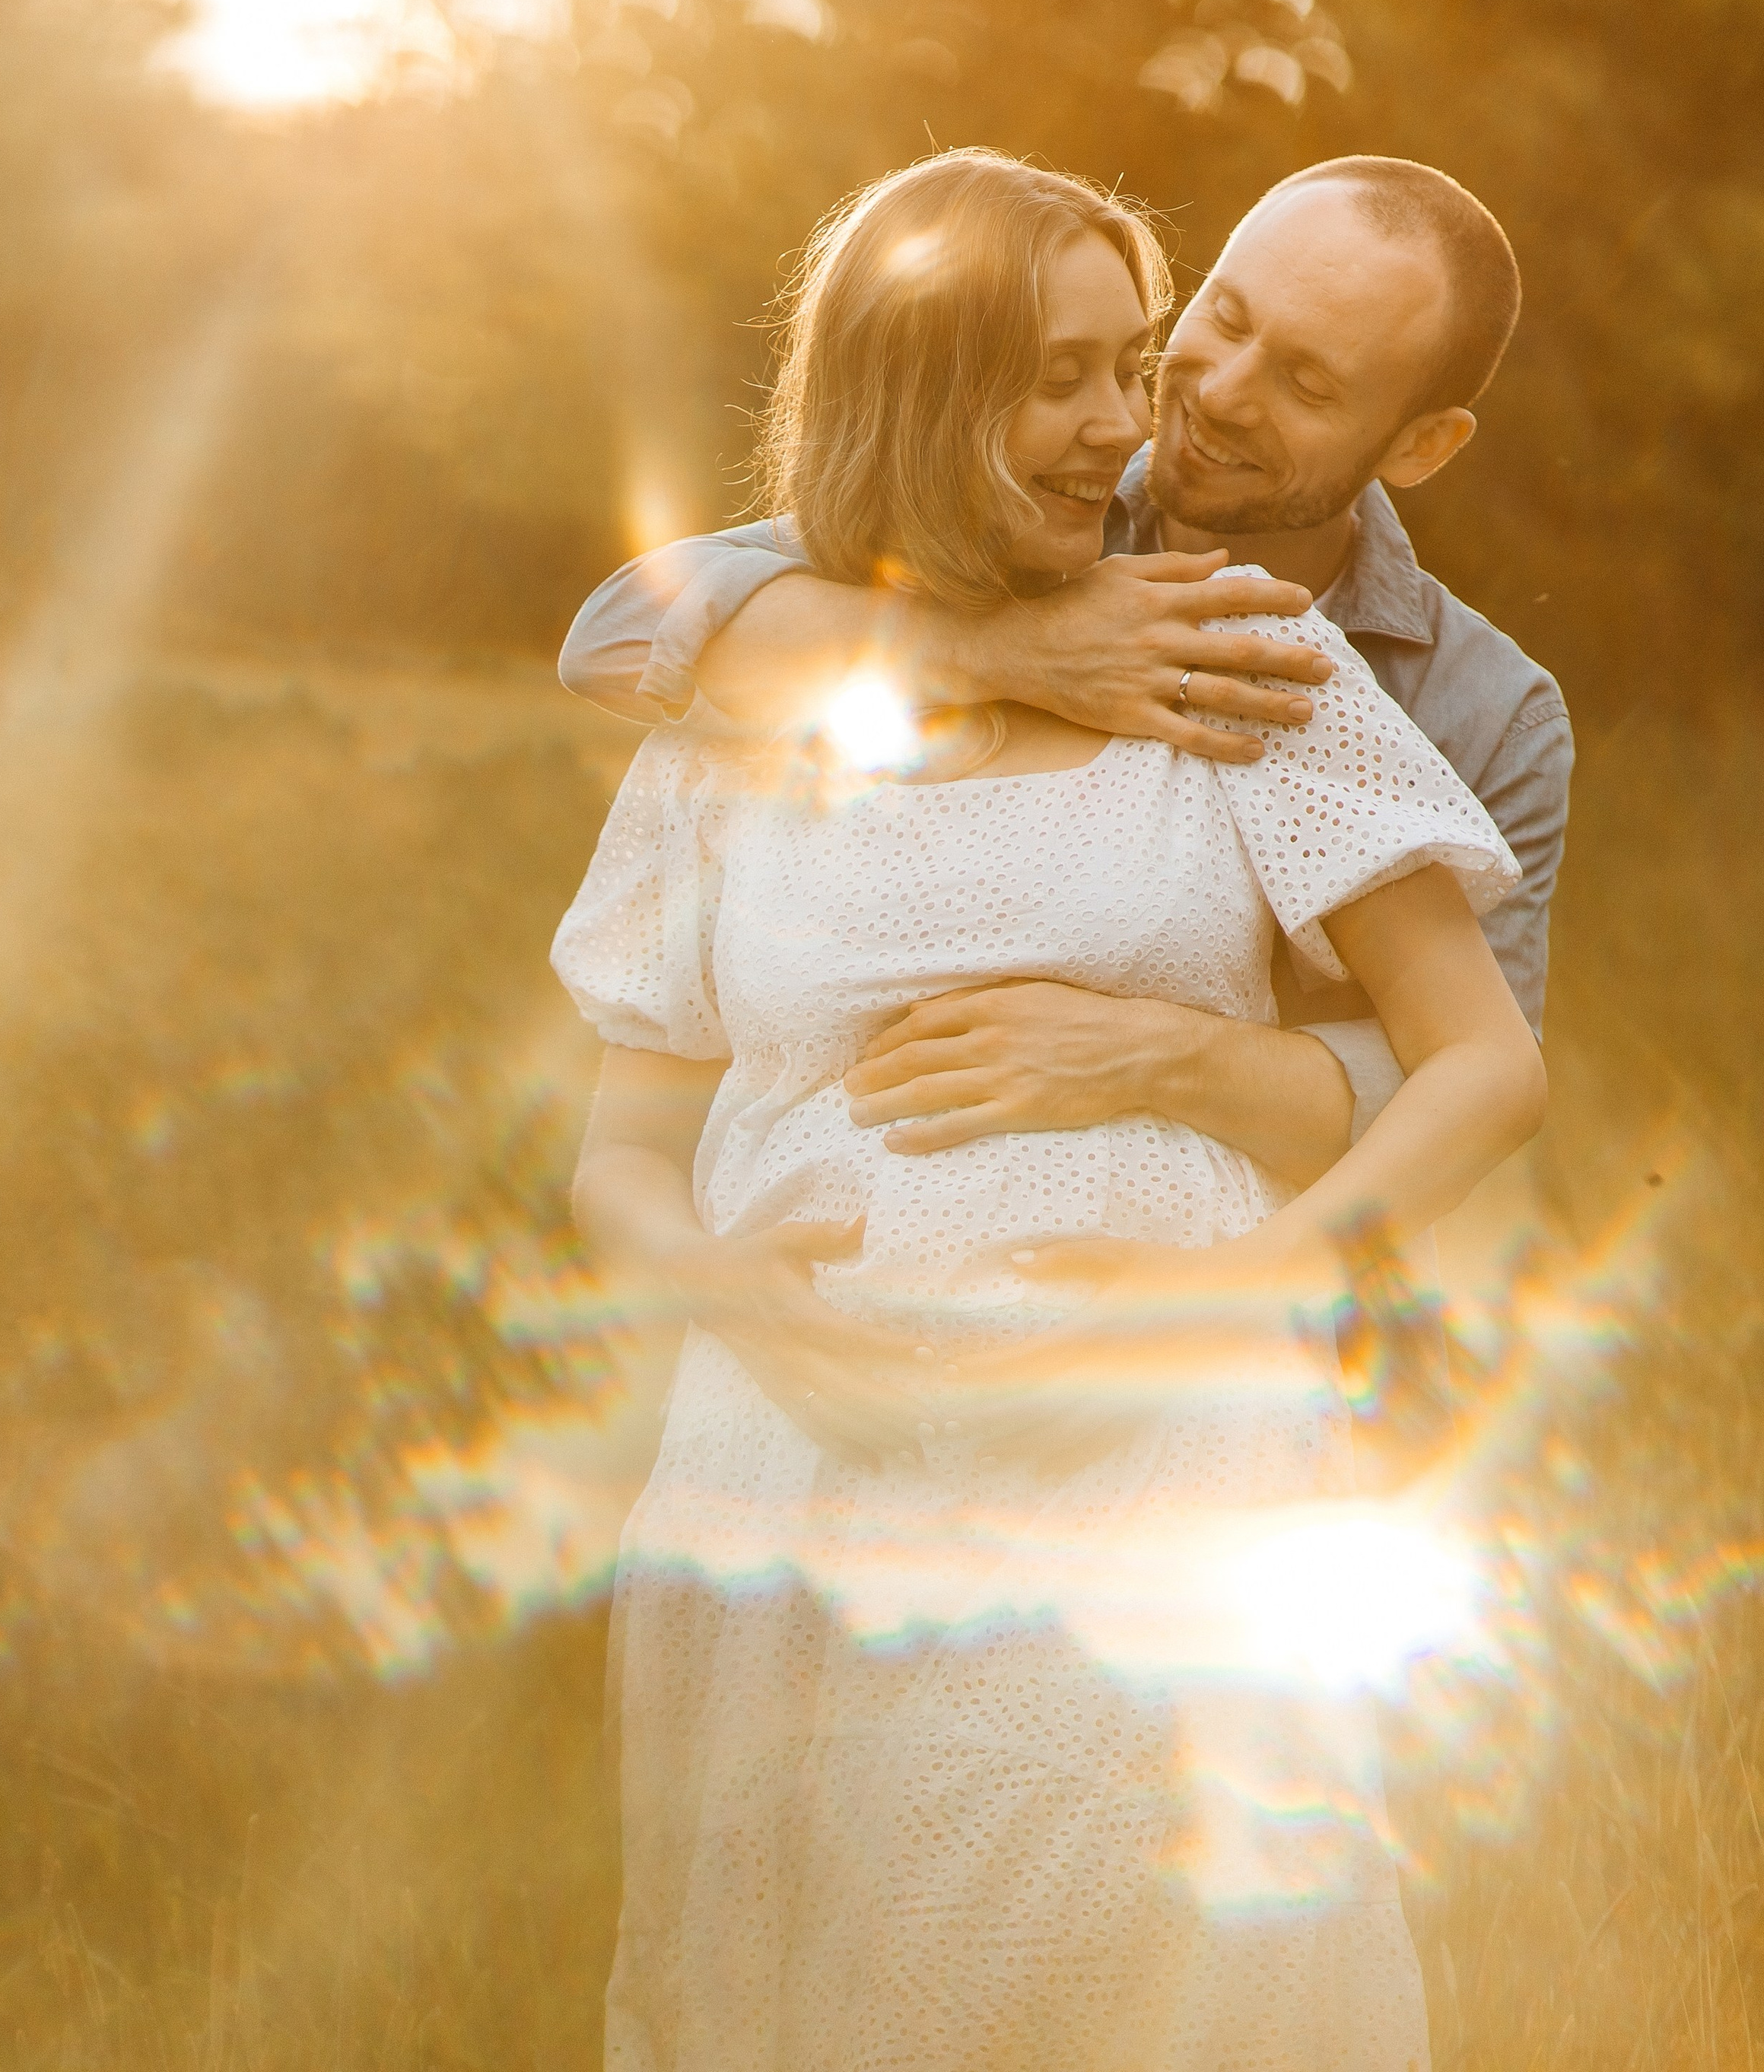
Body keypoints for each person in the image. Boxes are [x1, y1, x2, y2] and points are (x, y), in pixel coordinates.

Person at [553, 150, 1545, 2071]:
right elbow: (619, 1145)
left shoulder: (1241, 653)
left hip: (1151, 1471)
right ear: (921, 393)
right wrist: (720, 1287)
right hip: (790, 1475)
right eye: (1080, 373)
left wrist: (1229, 1286)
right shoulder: (743, 712)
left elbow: (1482, 1060)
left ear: (1410, 441)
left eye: (1128, 363)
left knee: (1146, 1984)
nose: (1145, 419)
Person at [561, 153, 1572, 1222]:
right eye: (1224, 318)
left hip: (1277, 1290)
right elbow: (626, 631)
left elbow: (1459, 1090)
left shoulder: (1487, 711)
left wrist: (1157, 1055)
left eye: (1308, 384)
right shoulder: (1023, 513)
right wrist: (1008, 645)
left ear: (1421, 445)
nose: (1216, 394)